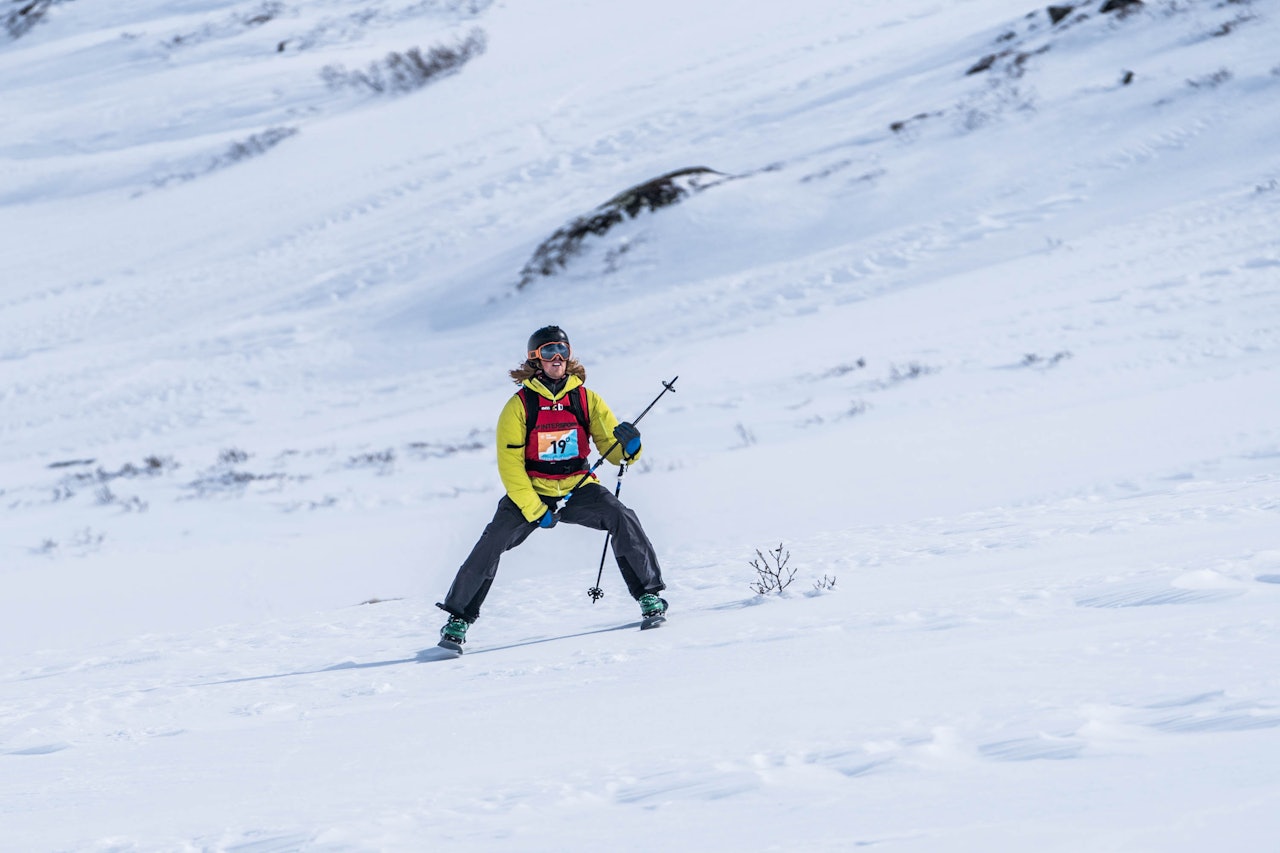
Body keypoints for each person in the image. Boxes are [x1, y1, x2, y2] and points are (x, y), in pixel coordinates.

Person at [436, 325, 667, 646]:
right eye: (548, 352)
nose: (557, 358)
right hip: (532, 491)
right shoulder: (519, 406)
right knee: (493, 541)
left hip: (579, 487)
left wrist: (630, 447)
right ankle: (458, 619)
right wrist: (535, 509)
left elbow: (613, 453)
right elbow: (510, 467)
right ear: (535, 359)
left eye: (563, 351)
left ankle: (649, 597)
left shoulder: (587, 399)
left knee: (622, 517)